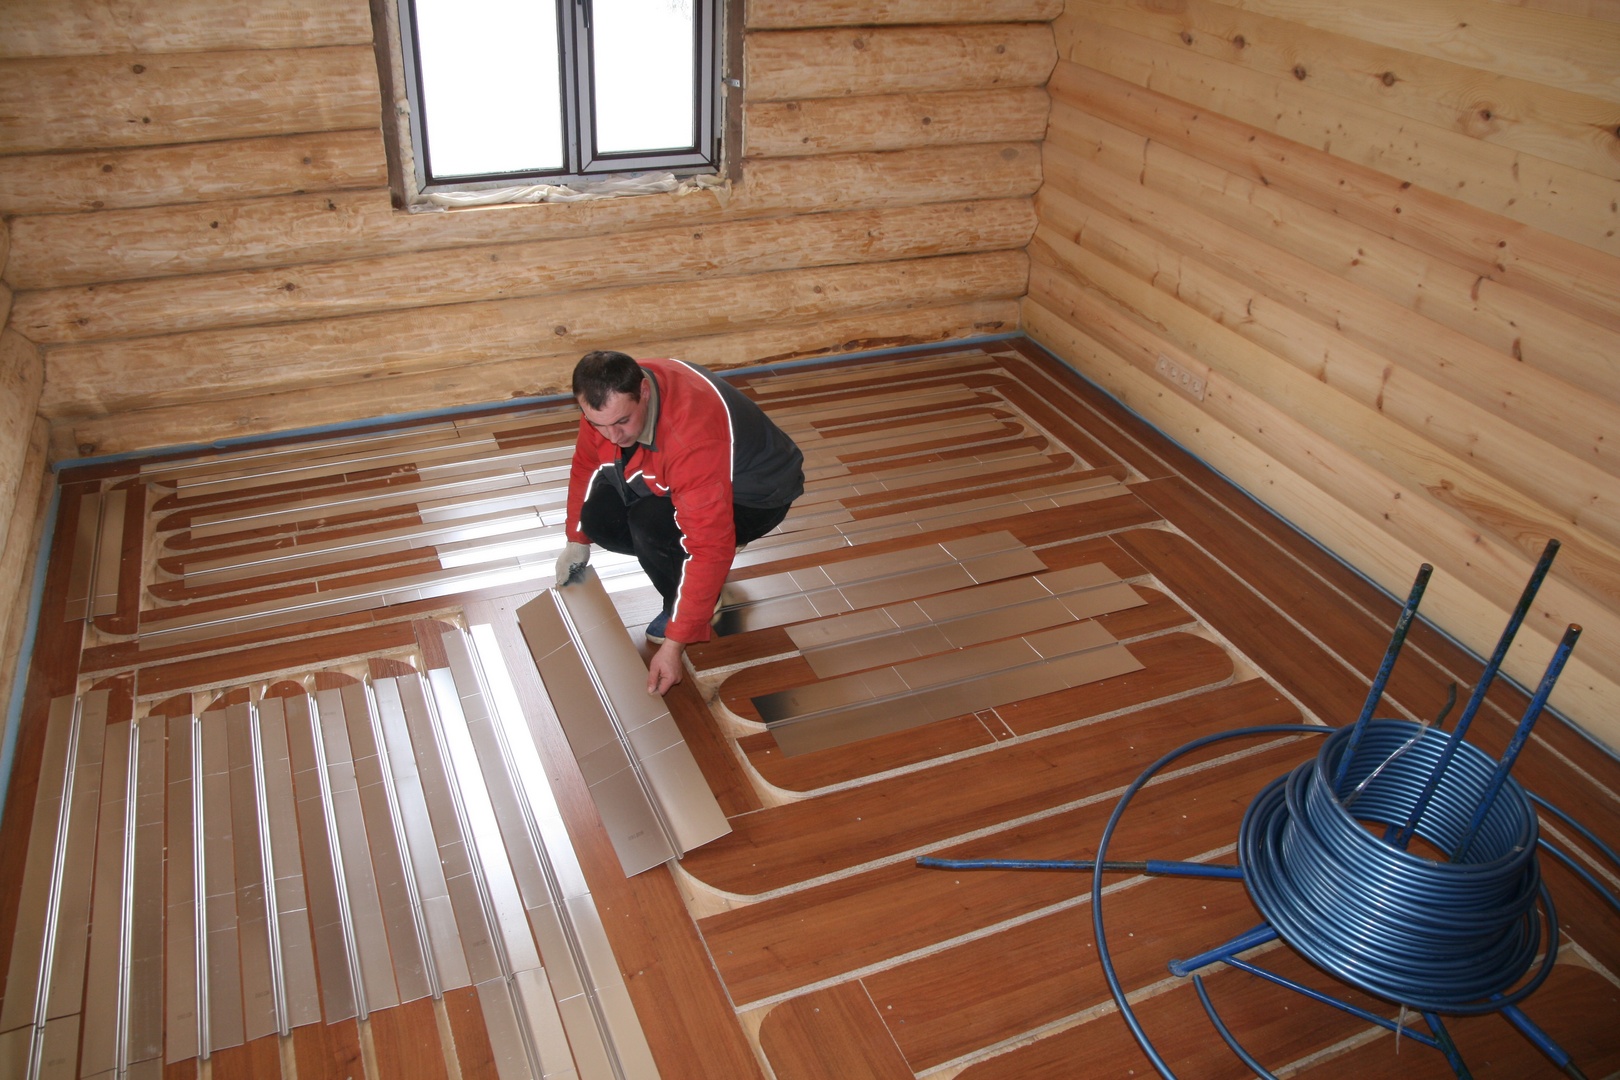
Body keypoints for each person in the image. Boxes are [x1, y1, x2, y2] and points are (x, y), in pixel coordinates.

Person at [554, 351, 804, 696]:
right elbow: (586, 467)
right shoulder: (610, 401)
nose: (612, 436)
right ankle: (693, 571)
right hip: (693, 476)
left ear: (643, 392)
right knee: (598, 518)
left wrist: (675, 642)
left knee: (650, 524)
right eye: (598, 424)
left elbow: (708, 545)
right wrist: (576, 539)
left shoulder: (691, 438)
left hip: (756, 495)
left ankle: (691, 600)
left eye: (622, 422)